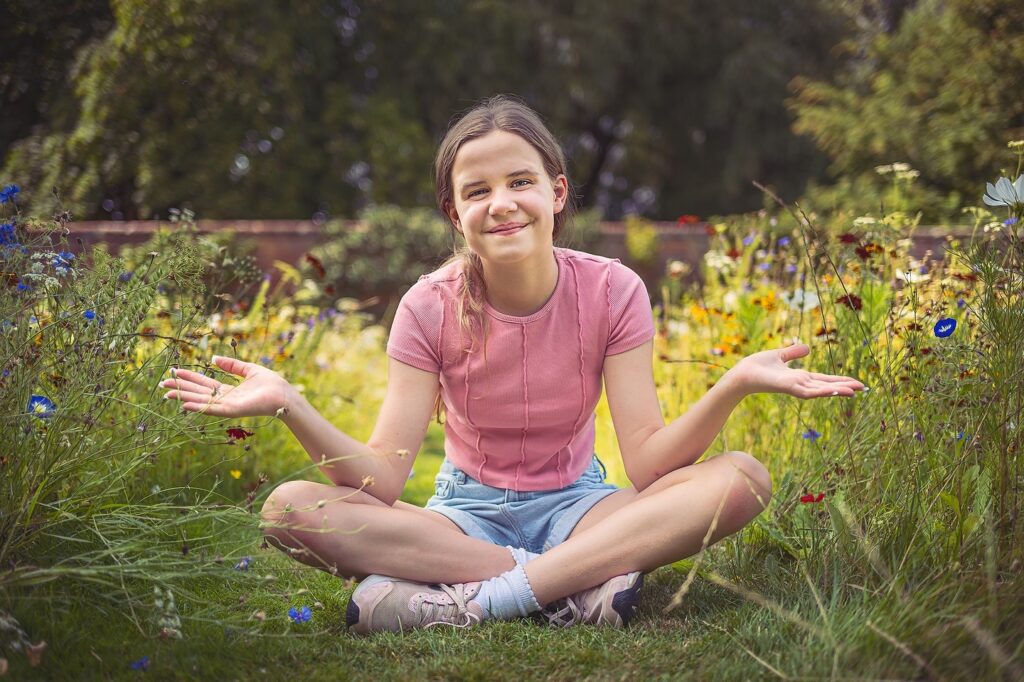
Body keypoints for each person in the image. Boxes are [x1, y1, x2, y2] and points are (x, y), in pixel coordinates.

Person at [160, 95, 867, 634]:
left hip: (582, 509)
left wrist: (735, 382)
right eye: (477, 191)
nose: (502, 204)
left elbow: (649, 463)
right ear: (453, 212)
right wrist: (291, 403)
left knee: (743, 476)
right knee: (288, 508)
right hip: (464, 522)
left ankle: (469, 602)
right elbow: (385, 476)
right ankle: (576, 591)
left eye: (520, 182)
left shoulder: (613, 290)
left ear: (556, 193)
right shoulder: (426, 306)